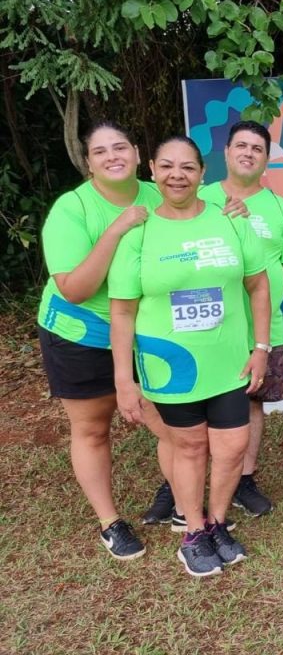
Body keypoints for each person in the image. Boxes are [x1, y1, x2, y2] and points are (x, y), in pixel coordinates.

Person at [109, 136, 271, 577]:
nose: (177, 175)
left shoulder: (232, 220)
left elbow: (258, 285)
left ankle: (217, 522)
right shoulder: (139, 232)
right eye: (167, 167)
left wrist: (261, 348)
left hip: (229, 361)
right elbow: (121, 311)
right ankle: (193, 533)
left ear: (203, 173)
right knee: (191, 446)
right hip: (172, 364)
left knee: (233, 446)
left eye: (187, 167)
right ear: (153, 171)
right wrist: (125, 379)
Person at [37, 122, 162, 560]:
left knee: (167, 417)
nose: (113, 156)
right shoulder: (71, 210)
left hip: (144, 326)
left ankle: (175, 491)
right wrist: (116, 229)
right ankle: (111, 522)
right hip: (80, 331)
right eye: (101, 151)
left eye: (120, 147)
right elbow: (75, 289)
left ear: (135, 151)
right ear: (88, 162)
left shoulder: (157, 192)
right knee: (93, 427)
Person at [206, 120, 283, 516]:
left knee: (253, 403)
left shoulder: (282, 208)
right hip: (212, 330)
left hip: (264, 332)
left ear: (267, 159)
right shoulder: (200, 199)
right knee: (200, 406)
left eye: (257, 148)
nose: (248, 153)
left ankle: (244, 480)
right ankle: (182, 482)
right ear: (227, 153)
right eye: (241, 146)